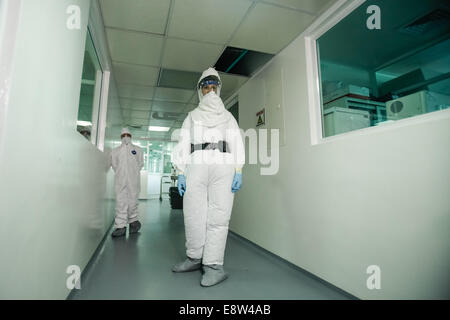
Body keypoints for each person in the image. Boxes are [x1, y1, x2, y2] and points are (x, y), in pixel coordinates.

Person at [171, 67, 245, 287]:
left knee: (219, 216)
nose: (210, 90)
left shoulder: (228, 117)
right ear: (200, 90)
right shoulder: (191, 117)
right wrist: (180, 172)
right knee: (193, 213)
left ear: (219, 89)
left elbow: (237, 143)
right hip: (196, 164)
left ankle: (213, 265)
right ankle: (194, 257)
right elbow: (183, 143)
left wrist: (239, 170)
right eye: (206, 86)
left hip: (224, 165)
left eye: (214, 86)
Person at [109, 128, 144, 237]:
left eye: (127, 134)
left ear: (131, 136)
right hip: (120, 180)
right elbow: (114, 165)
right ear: (120, 137)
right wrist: (121, 174)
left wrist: (132, 173)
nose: (125, 137)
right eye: (123, 135)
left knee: (133, 201)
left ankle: (134, 222)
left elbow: (140, 164)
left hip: (133, 180)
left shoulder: (138, 150)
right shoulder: (115, 151)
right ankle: (120, 226)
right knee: (120, 202)